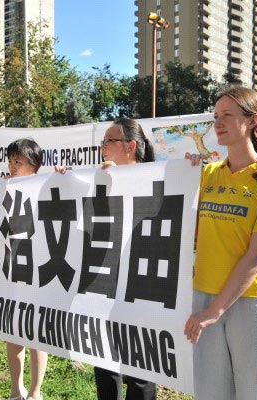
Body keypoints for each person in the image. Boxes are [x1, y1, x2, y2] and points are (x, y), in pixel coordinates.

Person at [184, 86, 257, 400]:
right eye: (216, 116)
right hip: (204, 296)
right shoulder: (207, 174)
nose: (217, 123)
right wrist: (184, 175)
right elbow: (186, 232)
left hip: (253, 301)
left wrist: (215, 310)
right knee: (211, 394)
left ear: (252, 120)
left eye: (227, 115)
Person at [94, 118, 157, 400]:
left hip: (143, 284)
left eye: (110, 140)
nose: (104, 147)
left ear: (130, 146)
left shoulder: (157, 180)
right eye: (103, 141)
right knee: (104, 357)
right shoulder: (101, 179)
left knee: (140, 365)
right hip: (106, 281)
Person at [5, 138, 46, 400]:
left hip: (38, 272)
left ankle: (35, 391)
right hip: (11, 272)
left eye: (18, 161)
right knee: (13, 333)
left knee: (36, 337)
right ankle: (15, 388)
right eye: (10, 160)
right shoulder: (2, 187)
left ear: (34, 164)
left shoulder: (47, 187)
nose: (12, 166)